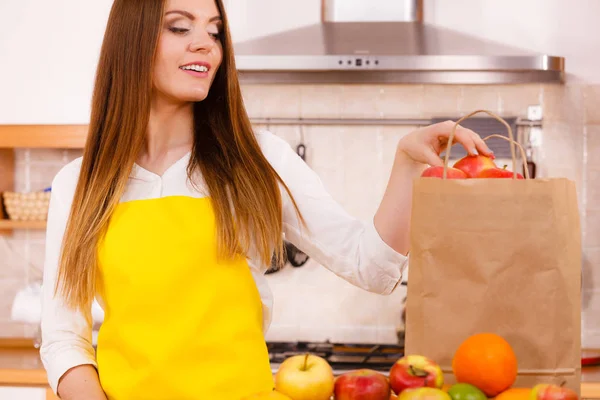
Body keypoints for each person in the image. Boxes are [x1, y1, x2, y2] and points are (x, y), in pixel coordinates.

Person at [39, 0, 493, 399]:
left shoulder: (258, 159)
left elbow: (370, 266)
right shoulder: (78, 184)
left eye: (214, 31)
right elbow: (63, 336)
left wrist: (407, 166)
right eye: (180, 27)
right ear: (131, 41)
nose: (205, 44)